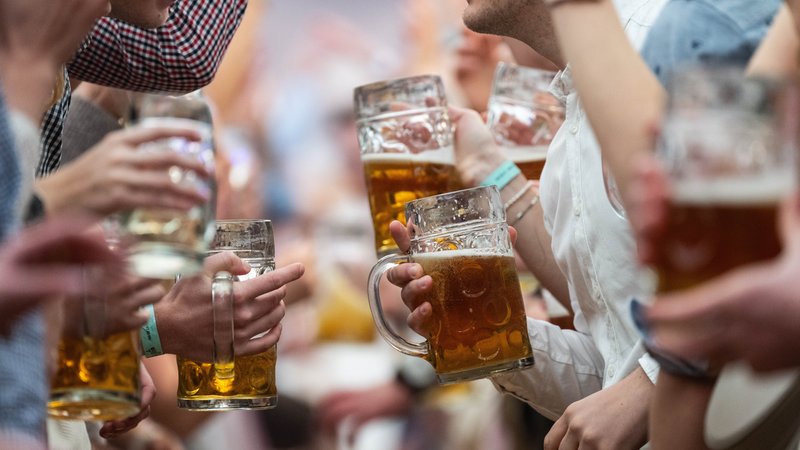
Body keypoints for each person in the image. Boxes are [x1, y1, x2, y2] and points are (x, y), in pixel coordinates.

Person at [386, 0, 667, 448]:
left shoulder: (671, 42)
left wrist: (652, 383)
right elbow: (615, 371)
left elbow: (765, 260)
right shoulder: (564, 148)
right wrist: (485, 332)